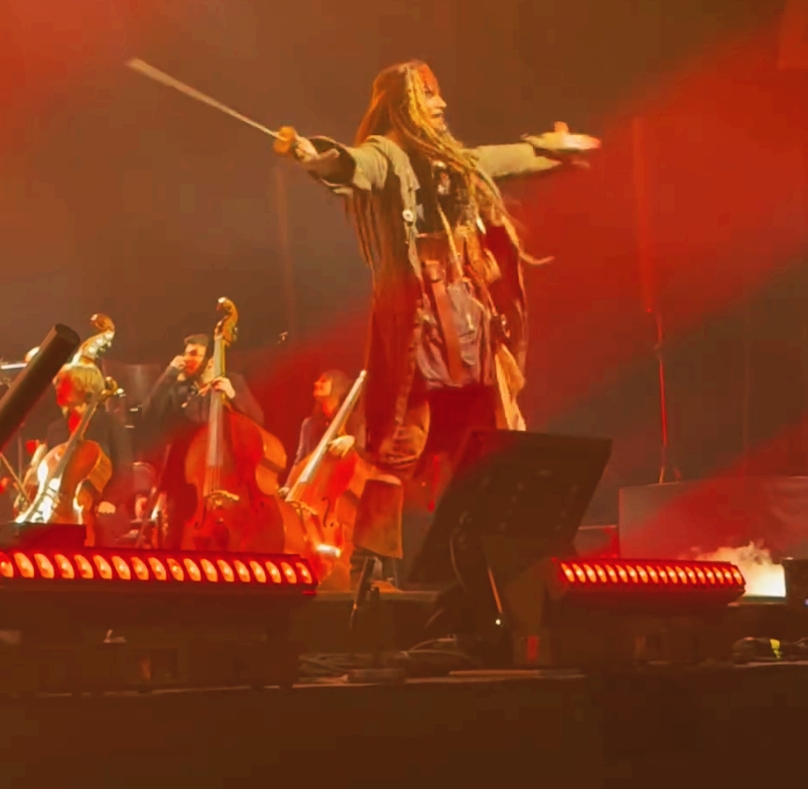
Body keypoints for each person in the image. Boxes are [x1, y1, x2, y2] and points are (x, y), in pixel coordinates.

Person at [274, 59, 599, 567]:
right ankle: (373, 564)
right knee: (404, 436)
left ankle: (515, 547)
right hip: (422, 325)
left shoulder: (451, 160)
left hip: (469, 318)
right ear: (405, 107)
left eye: (437, 94)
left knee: (496, 432)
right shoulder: (390, 155)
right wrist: (321, 159)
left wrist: (550, 152)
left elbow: (496, 159)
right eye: (428, 96)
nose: (440, 104)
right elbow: (357, 165)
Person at [139, 333, 264, 547]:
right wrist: (169, 375)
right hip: (183, 478)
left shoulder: (231, 381)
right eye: (185, 354)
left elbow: (257, 420)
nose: (187, 359)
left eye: (194, 354)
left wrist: (233, 395)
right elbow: (148, 413)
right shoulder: (180, 391)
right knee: (174, 542)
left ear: (211, 361)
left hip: (222, 477)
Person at [24, 362, 132, 540]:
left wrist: (110, 501)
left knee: (100, 527)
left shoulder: (110, 424)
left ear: (84, 387)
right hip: (59, 507)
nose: (57, 388)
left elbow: (125, 471)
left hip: (100, 505)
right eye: (57, 383)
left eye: (63, 383)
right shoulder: (55, 429)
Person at [293, 370, 362, 465]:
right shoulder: (309, 424)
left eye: (323, 381)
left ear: (337, 386)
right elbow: (299, 460)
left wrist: (351, 441)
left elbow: (365, 453)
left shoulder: (353, 420)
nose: (316, 383)